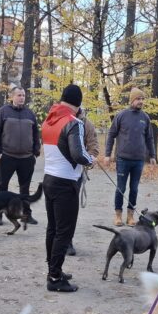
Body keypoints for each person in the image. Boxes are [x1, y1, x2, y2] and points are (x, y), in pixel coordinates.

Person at [42, 84, 95, 291]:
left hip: (49, 178)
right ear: (78, 104)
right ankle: (54, 278)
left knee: (52, 229)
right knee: (64, 232)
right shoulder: (74, 123)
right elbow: (77, 153)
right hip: (65, 183)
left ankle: (53, 269)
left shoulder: (48, 120)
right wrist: (90, 160)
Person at [103, 87, 156, 226]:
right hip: (122, 159)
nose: (141, 101)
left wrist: (152, 155)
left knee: (134, 188)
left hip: (138, 160)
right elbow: (111, 134)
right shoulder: (121, 115)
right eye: (138, 99)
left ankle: (130, 216)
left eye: (142, 99)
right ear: (132, 100)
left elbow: (150, 138)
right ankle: (118, 215)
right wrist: (107, 154)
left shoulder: (145, 118)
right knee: (121, 188)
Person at [0, 86, 41, 226]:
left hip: (27, 158)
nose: (21, 97)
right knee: (2, 187)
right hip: (7, 156)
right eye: (19, 95)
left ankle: (26, 215)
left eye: (23, 95)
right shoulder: (3, 112)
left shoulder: (30, 114)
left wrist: (36, 152)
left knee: (25, 189)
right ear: (12, 96)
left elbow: (36, 135)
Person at [66, 106, 100, 256]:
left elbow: (93, 145)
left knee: (71, 208)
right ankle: (57, 240)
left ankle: (68, 241)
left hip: (76, 173)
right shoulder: (62, 120)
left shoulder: (86, 124)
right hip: (57, 173)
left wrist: (90, 158)